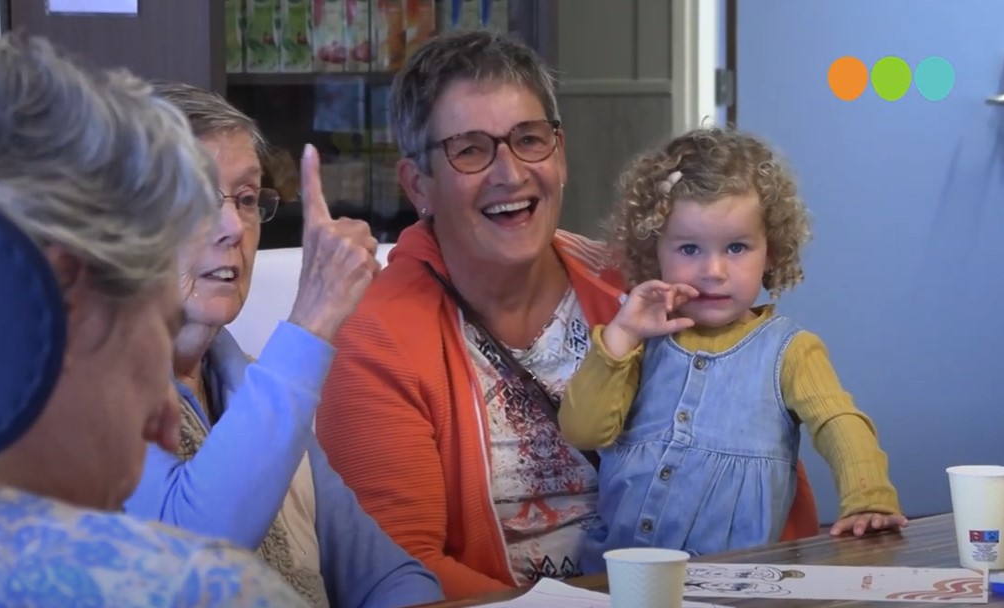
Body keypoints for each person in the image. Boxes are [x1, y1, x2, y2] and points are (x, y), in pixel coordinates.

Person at [315, 30, 820, 601]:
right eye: (471, 149)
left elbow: (764, 471)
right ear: (418, 185)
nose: (509, 173)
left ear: (560, 155)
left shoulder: (641, 287)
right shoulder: (371, 341)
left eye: (529, 139)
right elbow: (398, 571)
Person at [0, 34, 308, 606]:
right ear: (66, 301)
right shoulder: (199, 590)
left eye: (247, 199)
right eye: (158, 328)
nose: (168, 422)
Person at [124, 82, 443, 608]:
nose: (233, 227)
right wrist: (313, 318)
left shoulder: (248, 381)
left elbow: (392, 576)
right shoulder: (76, 390)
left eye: (247, 200)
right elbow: (191, 560)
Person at [558, 126, 907, 565]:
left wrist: (869, 499)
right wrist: (621, 336)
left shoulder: (790, 351)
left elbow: (839, 423)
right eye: (689, 248)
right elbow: (583, 430)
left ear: (771, 252)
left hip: (741, 584)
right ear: (654, 253)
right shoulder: (639, 343)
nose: (714, 270)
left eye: (737, 247)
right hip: (620, 579)